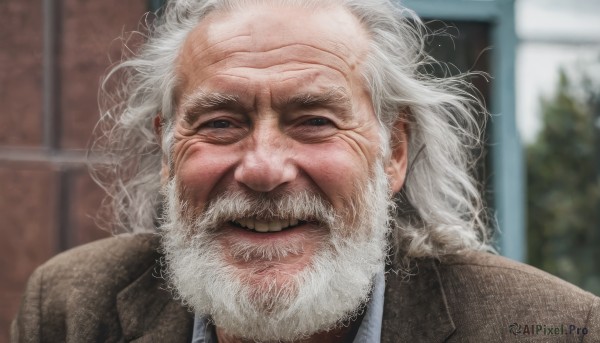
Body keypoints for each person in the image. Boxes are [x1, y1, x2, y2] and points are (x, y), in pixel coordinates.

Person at [12, 0, 599, 342]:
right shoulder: (68, 309)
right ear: (168, 150)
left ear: (393, 152)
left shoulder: (554, 330)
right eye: (219, 122)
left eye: (314, 120)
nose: (263, 168)